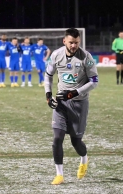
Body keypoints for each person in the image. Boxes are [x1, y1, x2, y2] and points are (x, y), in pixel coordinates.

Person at [44, 28, 98, 185]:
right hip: (61, 103)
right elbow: (48, 76)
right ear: (64, 41)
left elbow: (94, 82)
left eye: (76, 43)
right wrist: (48, 95)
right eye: (71, 42)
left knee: (76, 142)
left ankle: (84, 159)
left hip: (79, 103)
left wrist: (74, 93)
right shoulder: (56, 55)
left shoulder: (86, 58)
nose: (74, 45)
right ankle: (59, 174)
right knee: (57, 138)